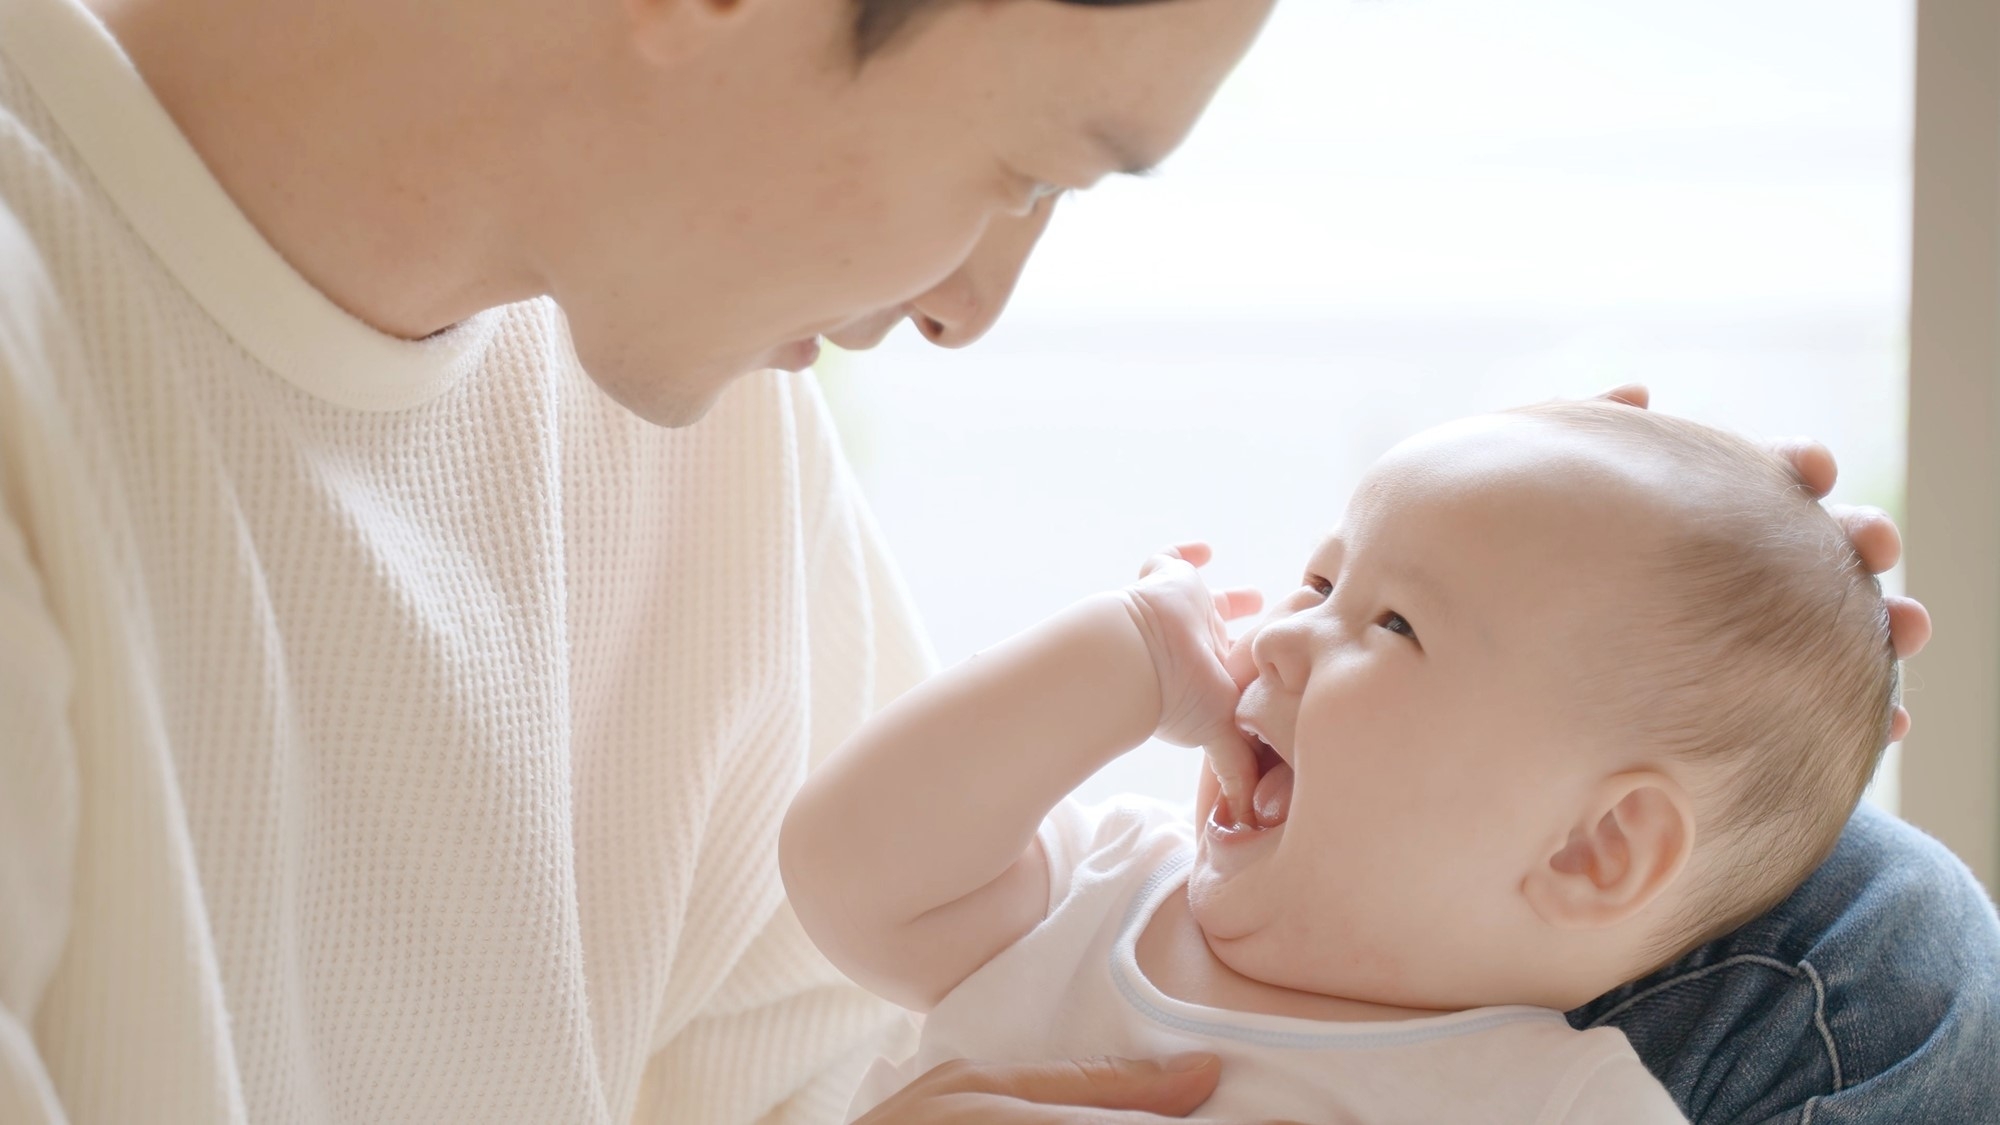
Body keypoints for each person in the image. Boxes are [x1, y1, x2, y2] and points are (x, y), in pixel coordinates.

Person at [0, 0, 1978, 1119]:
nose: (971, 305)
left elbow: (836, 1040)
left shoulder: (665, 378)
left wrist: (1593, 600)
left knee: (1860, 921)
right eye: (1024, 165)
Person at [783, 401, 1925, 1122]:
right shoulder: (1102, 897)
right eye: (1321, 582)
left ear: (1592, 847)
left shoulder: (1563, 1103)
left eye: (1391, 626)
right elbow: (849, 873)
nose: (1281, 630)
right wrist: (1123, 652)